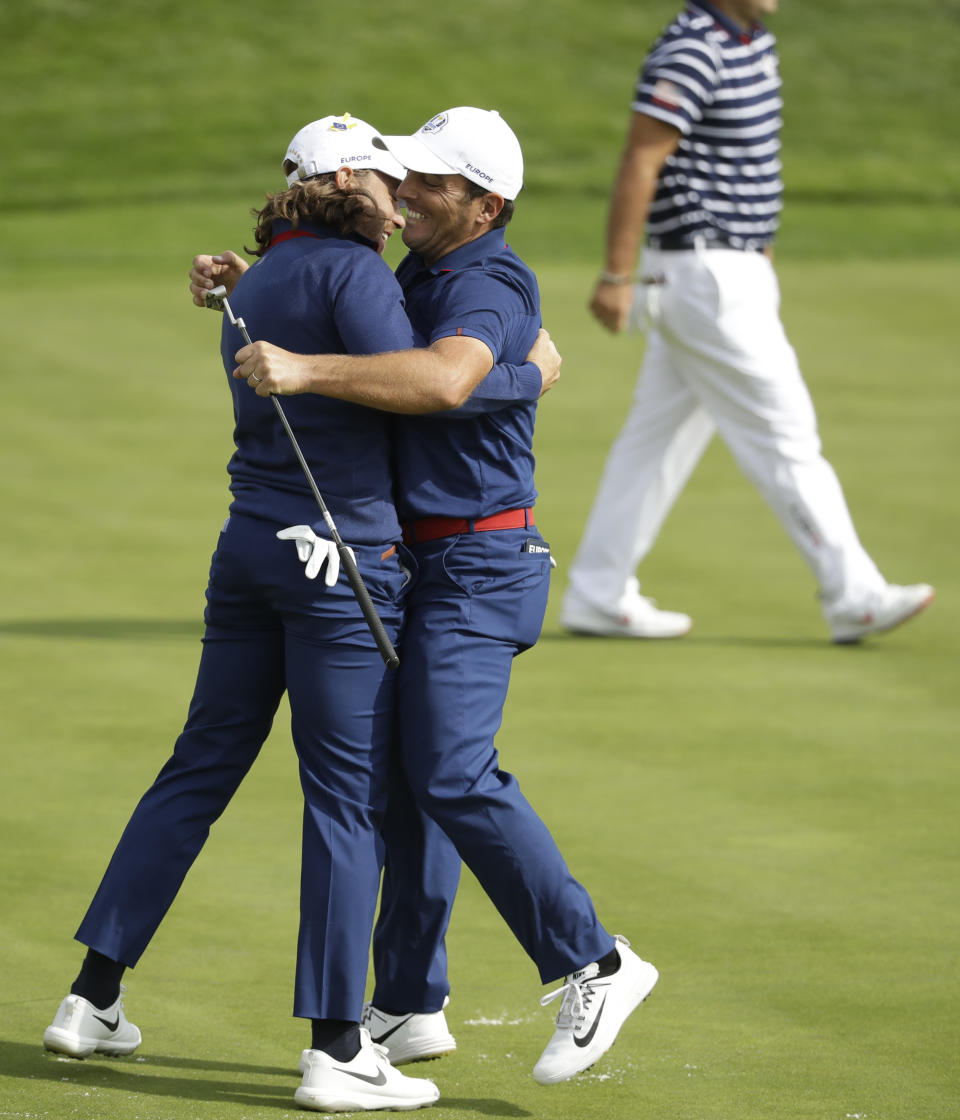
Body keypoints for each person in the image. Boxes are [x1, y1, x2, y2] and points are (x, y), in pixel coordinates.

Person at [191, 106, 660, 1088]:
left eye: (428, 182)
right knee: (407, 780)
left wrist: (308, 366)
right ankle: (408, 998)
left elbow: (446, 379)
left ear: (483, 204)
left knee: (448, 769)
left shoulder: (487, 277)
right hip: (426, 562)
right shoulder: (423, 270)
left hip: (480, 566)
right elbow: (479, 362)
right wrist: (258, 285)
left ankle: (599, 961)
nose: (401, 189)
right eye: (401, 173)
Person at [42, 113, 447, 1114]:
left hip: (249, 552)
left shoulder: (260, 274)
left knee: (199, 766)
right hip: (335, 560)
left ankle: (92, 997)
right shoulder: (350, 275)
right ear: (346, 181)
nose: (399, 201)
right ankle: (337, 1047)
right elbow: (418, 387)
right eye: (386, 183)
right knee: (345, 799)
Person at [560, 0, 934, 643]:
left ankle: (598, 589)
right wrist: (616, 275)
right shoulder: (692, 48)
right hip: (702, 274)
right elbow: (640, 160)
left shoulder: (754, 42)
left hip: (734, 270)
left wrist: (760, 253)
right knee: (783, 433)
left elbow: (749, 164)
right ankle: (853, 593)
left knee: (657, 442)